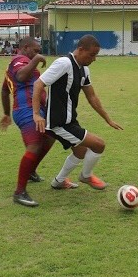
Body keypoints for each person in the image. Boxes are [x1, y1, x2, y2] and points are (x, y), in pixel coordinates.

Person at [32, 34, 123, 191]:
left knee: (80, 151)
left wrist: (108, 119)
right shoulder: (64, 63)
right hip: (57, 122)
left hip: (69, 121)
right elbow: (38, 84)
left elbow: (92, 96)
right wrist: (36, 114)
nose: (94, 59)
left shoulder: (84, 70)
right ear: (81, 50)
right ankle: (86, 176)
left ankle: (58, 181)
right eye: (92, 55)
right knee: (99, 145)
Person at [0, 37, 55, 207]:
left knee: (51, 136)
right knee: (34, 145)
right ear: (25, 47)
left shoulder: (18, 62)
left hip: (34, 108)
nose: (38, 54)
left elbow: (4, 90)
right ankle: (19, 192)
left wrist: (6, 114)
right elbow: (22, 76)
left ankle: (30, 171)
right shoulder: (19, 60)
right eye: (35, 50)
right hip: (26, 109)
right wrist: (36, 60)